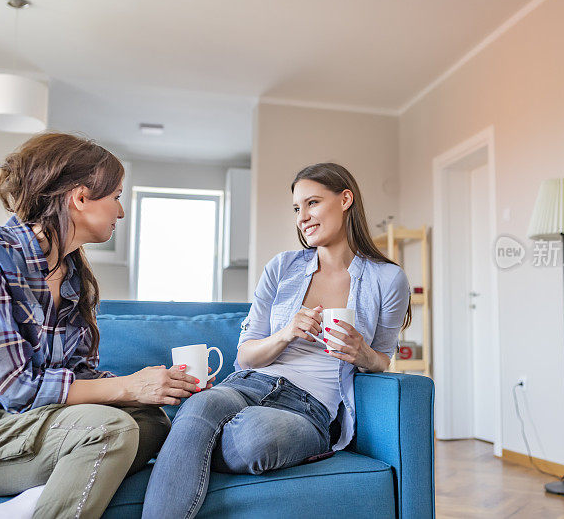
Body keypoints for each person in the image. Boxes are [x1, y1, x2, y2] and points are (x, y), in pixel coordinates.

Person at [0, 133, 208, 519]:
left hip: (16, 424)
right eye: (116, 196)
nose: (121, 212)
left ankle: (36, 500)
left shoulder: (72, 276)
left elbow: (77, 376)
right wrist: (126, 386)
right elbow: (13, 389)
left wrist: (147, 388)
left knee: (151, 421)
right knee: (110, 429)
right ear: (80, 197)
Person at [143, 162, 411, 519]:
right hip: (248, 385)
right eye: (298, 208)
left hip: (310, 408)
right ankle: (190, 434)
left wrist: (362, 353)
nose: (303, 217)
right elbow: (246, 356)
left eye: (313, 203)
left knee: (252, 439)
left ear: (345, 199)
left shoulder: (387, 280)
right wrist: (286, 334)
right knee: (202, 406)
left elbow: (384, 359)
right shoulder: (282, 267)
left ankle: (184, 441)